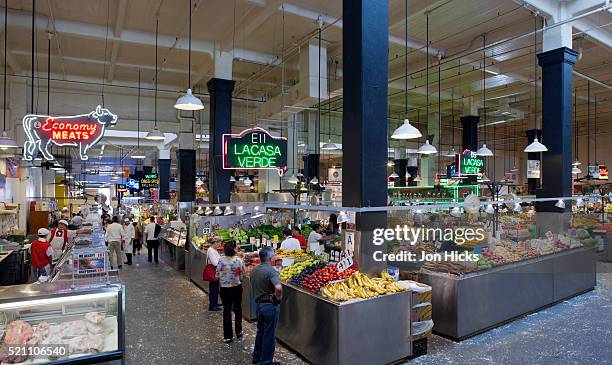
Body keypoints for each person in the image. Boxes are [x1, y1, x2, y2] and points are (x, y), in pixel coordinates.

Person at [251, 247, 282, 365]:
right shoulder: (271, 271)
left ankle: (257, 357)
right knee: (269, 335)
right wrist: (277, 297)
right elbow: (278, 287)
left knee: (260, 332)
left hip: (259, 305)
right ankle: (266, 362)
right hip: (270, 306)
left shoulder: (255, 269)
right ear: (270, 258)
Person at [216, 241, 244, 343]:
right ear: (234, 249)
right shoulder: (238, 260)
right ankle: (239, 331)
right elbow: (242, 275)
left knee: (226, 311)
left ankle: (228, 336)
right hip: (236, 288)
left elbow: (217, 275)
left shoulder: (221, 260)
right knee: (238, 309)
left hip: (224, 289)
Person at [206, 238, 223, 311]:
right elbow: (214, 263)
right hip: (213, 272)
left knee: (214, 288)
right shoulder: (211, 251)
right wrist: (222, 261)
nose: (220, 245)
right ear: (215, 243)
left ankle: (214, 303)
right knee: (214, 289)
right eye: (219, 243)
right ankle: (213, 306)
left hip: (215, 272)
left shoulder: (213, 250)